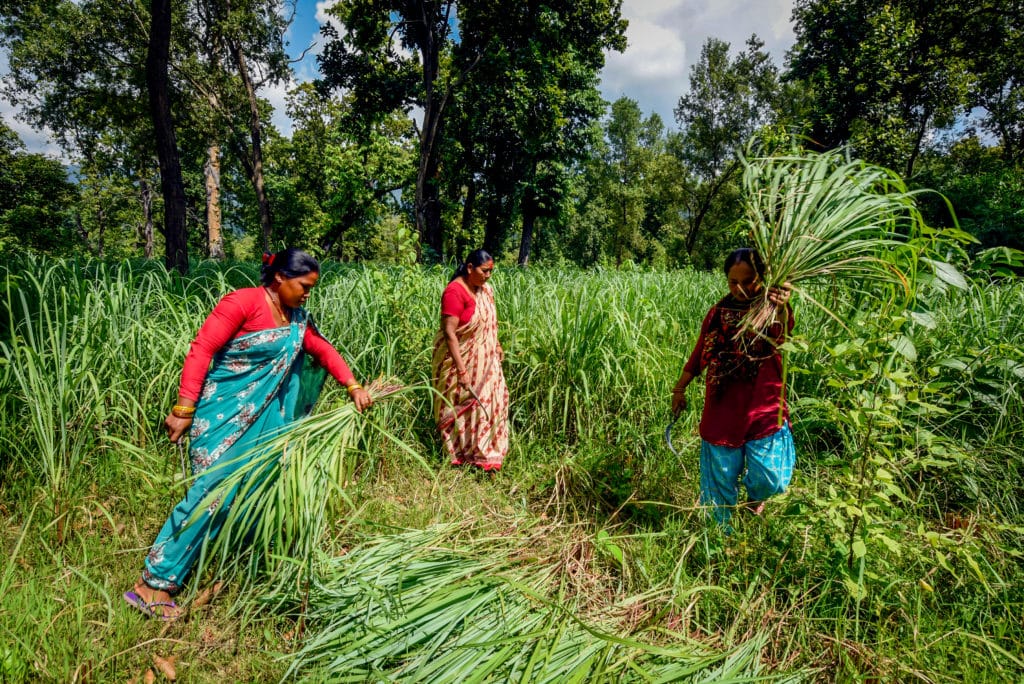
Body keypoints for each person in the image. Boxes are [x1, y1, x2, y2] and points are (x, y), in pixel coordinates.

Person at [123, 248, 372, 619]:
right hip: (223, 417)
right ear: (279, 279)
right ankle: (151, 585)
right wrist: (183, 409)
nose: (307, 294)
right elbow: (202, 348)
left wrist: (352, 386)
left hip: (266, 421)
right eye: (303, 286)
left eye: (311, 289)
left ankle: (231, 562)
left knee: (253, 488)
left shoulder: (296, 318)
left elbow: (321, 349)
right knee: (210, 495)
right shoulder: (243, 302)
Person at [671, 247, 794, 527]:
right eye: (732, 281)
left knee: (771, 478)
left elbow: (785, 330)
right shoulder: (717, 313)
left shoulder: (772, 311)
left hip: (764, 410)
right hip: (722, 411)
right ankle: (719, 544)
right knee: (718, 493)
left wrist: (783, 305)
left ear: (762, 278)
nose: (740, 288)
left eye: (748, 280)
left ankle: (753, 501)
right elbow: (700, 352)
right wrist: (679, 389)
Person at [431, 249, 509, 471]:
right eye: (484, 271)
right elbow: (449, 333)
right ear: (469, 268)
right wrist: (462, 371)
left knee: (493, 402)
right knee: (462, 405)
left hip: (487, 359)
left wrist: (497, 344)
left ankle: (486, 454)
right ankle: (460, 455)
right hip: (458, 360)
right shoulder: (455, 292)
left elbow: (489, 323)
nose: (488, 276)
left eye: (491, 272)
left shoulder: (485, 290)